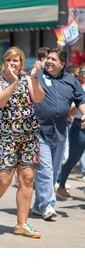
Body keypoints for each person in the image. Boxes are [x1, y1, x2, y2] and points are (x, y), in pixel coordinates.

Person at [0, 47, 45, 238]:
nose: (12, 64)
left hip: (28, 134)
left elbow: (38, 98)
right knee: (3, 178)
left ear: (22, 63)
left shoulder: (29, 79)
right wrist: (13, 82)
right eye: (9, 60)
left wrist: (35, 77)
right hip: (5, 135)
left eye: (16, 61)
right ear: (4, 63)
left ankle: (21, 224)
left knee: (27, 178)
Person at [32, 48, 85, 220]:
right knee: (45, 169)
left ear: (62, 64)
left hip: (61, 131)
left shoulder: (71, 80)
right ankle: (48, 205)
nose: (49, 61)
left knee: (54, 171)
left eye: (53, 59)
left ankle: (37, 205)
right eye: (48, 58)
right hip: (39, 130)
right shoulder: (38, 75)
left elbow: (81, 100)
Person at [55, 63, 85, 200]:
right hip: (79, 128)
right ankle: (61, 186)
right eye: (82, 71)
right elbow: (71, 110)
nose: (83, 73)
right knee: (73, 159)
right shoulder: (79, 89)